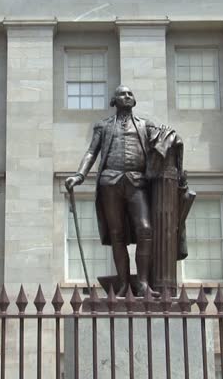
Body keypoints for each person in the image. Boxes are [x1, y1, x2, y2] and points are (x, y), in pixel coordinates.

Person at [65, 85, 162, 297]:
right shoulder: (104, 126)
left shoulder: (146, 125)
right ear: (113, 100)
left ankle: (143, 283)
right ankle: (124, 284)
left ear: (134, 100)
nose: (127, 96)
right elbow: (92, 153)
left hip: (137, 182)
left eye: (130, 93)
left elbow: (161, 148)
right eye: (122, 94)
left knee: (145, 229)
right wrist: (79, 175)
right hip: (110, 181)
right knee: (117, 234)